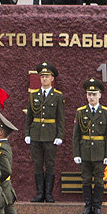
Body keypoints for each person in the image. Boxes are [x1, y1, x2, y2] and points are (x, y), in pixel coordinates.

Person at [72, 78, 107, 214]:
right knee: (85, 179)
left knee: (98, 179)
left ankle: (97, 207)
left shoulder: (105, 112)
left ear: (100, 95)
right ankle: (87, 206)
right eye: (89, 94)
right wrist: (76, 153)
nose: (91, 97)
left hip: (99, 152)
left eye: (94, 94)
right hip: (84, 151)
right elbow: (76, 135)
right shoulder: (81, 112)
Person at [25, 62, 65, 203]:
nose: (44, 79)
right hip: (36, 134)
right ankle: (39, 193)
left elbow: (61, 118)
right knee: (37, 163)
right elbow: (29, 116)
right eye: (42, 76)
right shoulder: (33, 95)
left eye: (47, 76)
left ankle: (48, 193)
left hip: (50, 134)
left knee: (50, 163)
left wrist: (60, 135)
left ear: (52, 79)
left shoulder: (57, 96)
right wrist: (27, 133)